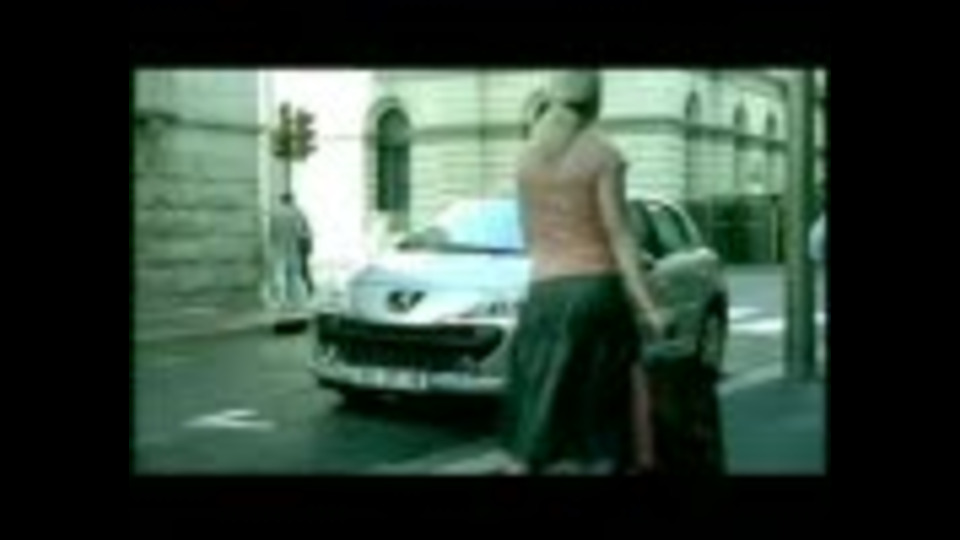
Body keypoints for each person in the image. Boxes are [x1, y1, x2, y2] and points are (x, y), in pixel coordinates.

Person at [498, 71, 666, 475]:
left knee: (540, 416)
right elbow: (619, 234)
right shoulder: (603, 155)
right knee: (600, 426)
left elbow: (528, 236)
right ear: (596, 101)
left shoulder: (525, 159)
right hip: (596, 294)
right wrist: (650, 307)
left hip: (544, 295)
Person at [270, 192, 313, 309]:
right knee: (294, 275)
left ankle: (282, 301)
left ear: (281, 201)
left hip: (279, 249)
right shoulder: (297, 213)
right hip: (293, 248)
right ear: (292, 200)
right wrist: (306, 246)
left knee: (280, 275)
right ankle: (297, 301)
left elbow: (272, 233)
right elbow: (301, 233)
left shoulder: (275, 214)